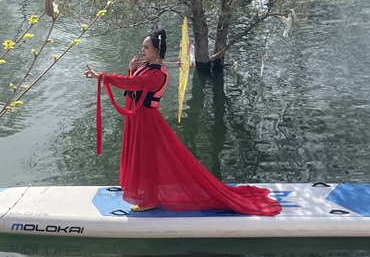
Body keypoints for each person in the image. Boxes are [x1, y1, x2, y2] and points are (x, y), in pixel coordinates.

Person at [84, 29, 281, 215]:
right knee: (143, 156)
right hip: (138, 119)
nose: (142, 50)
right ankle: (147, 194)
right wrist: (131, 69)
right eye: (143, 47)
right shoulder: (147, 66)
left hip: (146, 120)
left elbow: (133, 84)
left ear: (157, 50)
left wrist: (101, 77)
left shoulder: (156, 74)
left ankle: (149, 199)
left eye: (146, 47)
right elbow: (134, 84)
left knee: (146, 158)